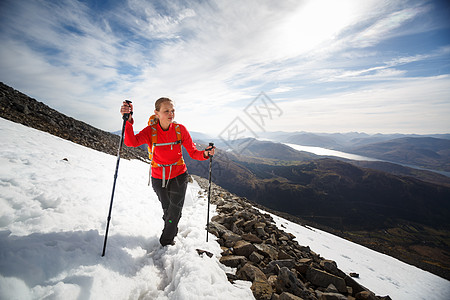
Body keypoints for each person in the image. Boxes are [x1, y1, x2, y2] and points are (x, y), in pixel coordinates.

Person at [120, 98, 215, 246]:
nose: (171, 114)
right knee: (168, 210)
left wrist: (205, 154)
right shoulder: (150, 131)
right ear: (156, 113)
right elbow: (131, 142)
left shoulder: (180, 130)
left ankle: (166, 241)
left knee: (175, 211)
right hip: (158, 178)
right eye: (166, 111)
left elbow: (193, 152)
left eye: (172, 110)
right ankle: (171, 228)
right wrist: (128, 121)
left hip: (179, 176)